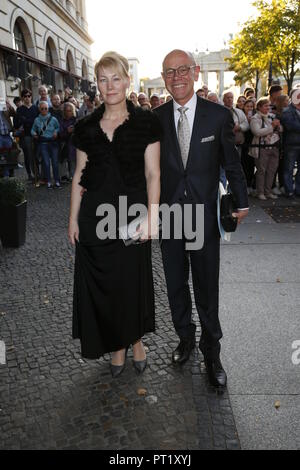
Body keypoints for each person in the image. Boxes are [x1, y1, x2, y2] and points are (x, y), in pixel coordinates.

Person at [155, 49, 248, 388]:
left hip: (205, 218)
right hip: (170, 219)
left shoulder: (217, 116)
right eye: (169, 72)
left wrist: (242, 200)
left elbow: (232, 162)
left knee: (207, 288)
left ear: (195, 72)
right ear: (163, 78)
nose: (176, 77)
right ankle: (185, 338)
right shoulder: (156, 118)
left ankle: (213, 352)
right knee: (176, 286)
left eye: (182, 70)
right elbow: (148, 172)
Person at [69, 51, 162, 377]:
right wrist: (72, 219)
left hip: (132, 215)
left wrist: (152, 216)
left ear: (127, 80)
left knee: (129, 283)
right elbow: (80, 174)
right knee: (103, 286)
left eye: (116, 78)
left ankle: (135, 342)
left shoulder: (146, 122)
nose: (109, 86)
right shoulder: (86, 127)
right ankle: (117, 345)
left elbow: (153, 174)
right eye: (103, 79)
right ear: (97, 84)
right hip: (94, 218)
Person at [249, 97, 281, 200]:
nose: (268, 107)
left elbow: (281, 129)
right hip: (261, 147)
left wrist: (279, 126)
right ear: (259, 107)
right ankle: (260, 192)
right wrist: (271, 126)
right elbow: (257, 132)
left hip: (274, 147)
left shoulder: (272, 116)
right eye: (265, 105)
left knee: (271, 170)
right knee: (261, 171)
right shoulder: (255, 118)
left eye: (269, 105)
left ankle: (268, 191)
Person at [31, 101, 61, 189]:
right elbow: (32, 130)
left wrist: (56, 132)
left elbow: (58, 127)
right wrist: (34, 134)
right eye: (42, 108)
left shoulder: (53, 119)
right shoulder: (36, 120)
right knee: (46, 164)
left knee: (55, 163)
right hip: (43, 143)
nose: (44, 110)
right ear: (39, 109)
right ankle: (48, 181)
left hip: (53, 143)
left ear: (48, 109)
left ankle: (57, 181)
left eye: (46, 108)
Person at [15, 89, 39, 182]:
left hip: (35, 135)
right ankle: (30, 174)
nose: (27, 98)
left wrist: (26, 121)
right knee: (28, 155)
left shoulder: (35, 108)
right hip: (25, 136)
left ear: (31, 97)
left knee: (36, 156)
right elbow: (16, 124)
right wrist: (25, 122)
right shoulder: (20, 109)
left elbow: (37, 121)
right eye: (25, 96)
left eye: (29, 96)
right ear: (22, 98)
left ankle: (37, 173)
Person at [281, 88, 300, 198]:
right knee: (288, 168)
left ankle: (298, 189)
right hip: (291, 145)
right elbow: (290, 125)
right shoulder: (287, 111)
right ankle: (289, 190)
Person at [59, 102, 77, 181]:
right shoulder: (62, 121)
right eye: (67, 110)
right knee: (63, 160)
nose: (68, 112)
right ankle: (64, 176)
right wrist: (67, 131)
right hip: (65, 144)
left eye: (70, 110)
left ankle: (73, 175)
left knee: (73, 160)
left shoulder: (76, 119)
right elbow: (60, 133)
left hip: (75, 144)